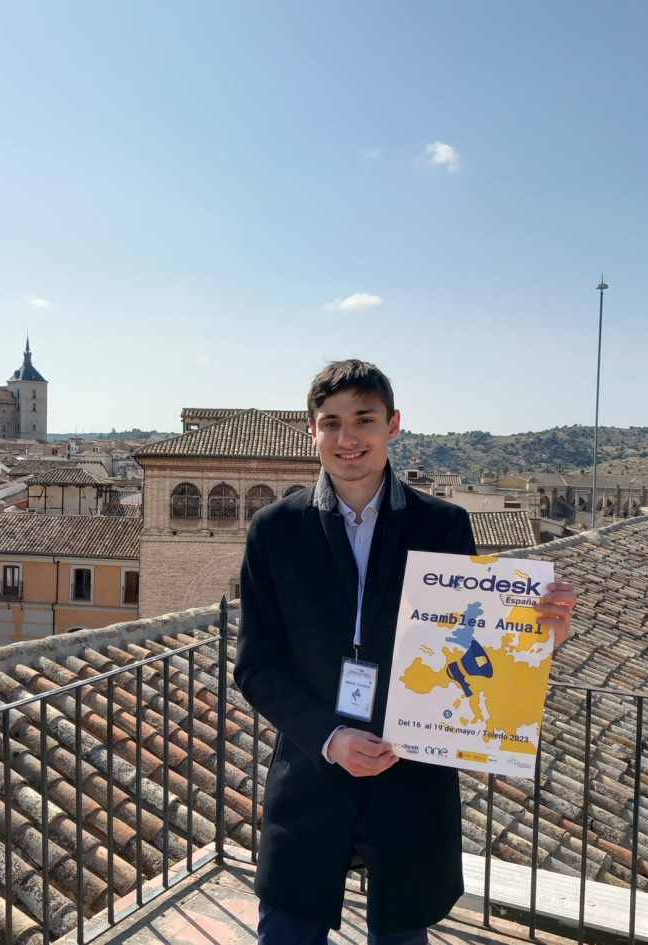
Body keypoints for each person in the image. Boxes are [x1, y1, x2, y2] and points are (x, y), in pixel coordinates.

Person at [234, 360, 578, 944]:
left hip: (411, 776)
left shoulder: (443, 525)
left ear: (393, 425)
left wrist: (532, 639)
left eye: (364, 420)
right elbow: (256, 664)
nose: (348, 437)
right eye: (331, 422)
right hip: (314, 770)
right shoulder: (274, 530)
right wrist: (331, 737)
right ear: (311, 431)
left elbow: (467, 636)